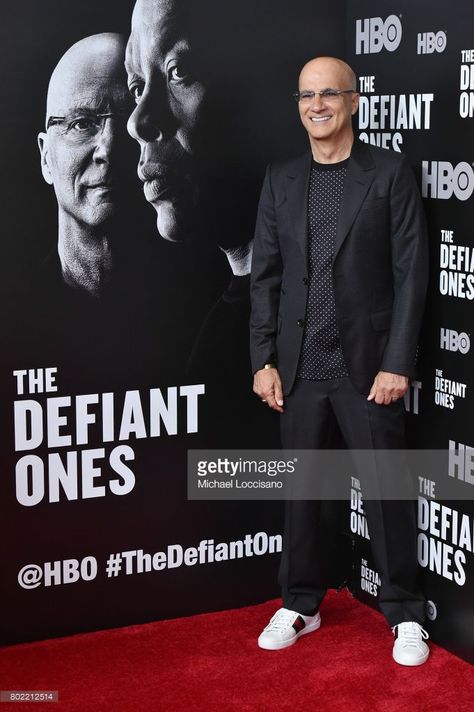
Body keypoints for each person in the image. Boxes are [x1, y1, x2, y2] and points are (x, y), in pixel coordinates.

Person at [250, 57, 430, 665]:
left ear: (353, 101)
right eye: (306, 94)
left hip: (369, 367)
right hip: (299, 367)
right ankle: (300, 602)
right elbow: (265, 279)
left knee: (386, 491)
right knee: (301, 493)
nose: (317, 104)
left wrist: (397, 361)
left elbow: (412, 276)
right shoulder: (281, 178)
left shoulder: (389, 173)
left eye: (329, 93)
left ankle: (405, 612)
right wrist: (263, 359)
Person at [37, 33, 136, 298]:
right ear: (46, 157)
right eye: (81, 123)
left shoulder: (207, 300)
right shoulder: (12, 314)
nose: (110, 149)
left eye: (128, 121)